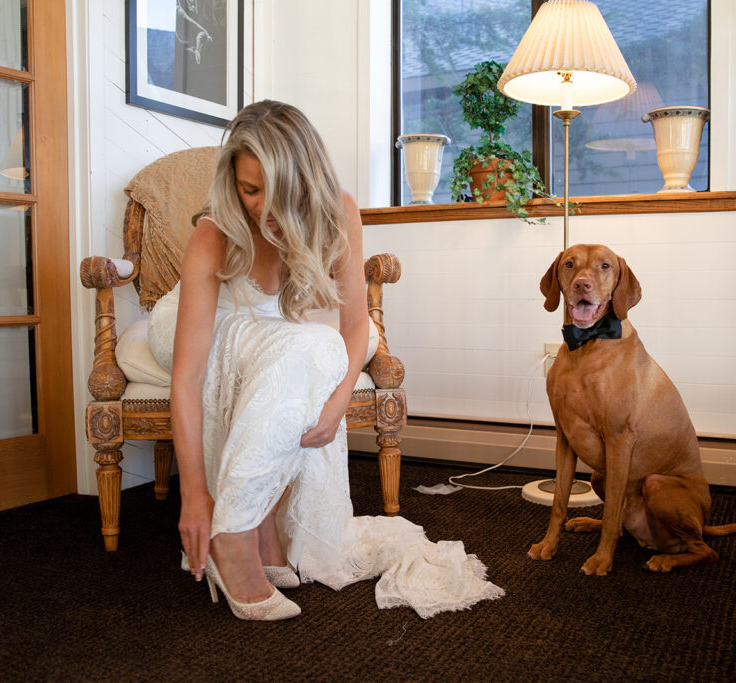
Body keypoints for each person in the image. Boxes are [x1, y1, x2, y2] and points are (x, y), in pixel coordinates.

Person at [148, 101, 502, 621]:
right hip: (193, 325)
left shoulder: (338, 209)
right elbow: (188, 378)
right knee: (305, 347)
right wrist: (196, 497)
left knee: (316, 347)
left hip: (266, 330)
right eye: (250, 188)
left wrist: (337, 406)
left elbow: (356, 325)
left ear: (306, 177)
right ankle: (235, 533)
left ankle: (263, 528)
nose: (262, 206)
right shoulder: (215, 233)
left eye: (278, 189)